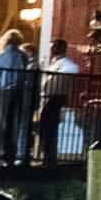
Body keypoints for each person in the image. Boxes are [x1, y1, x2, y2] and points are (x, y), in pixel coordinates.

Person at [0, 26, 35, 166]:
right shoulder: (22, 56)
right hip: (17, 92)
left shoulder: (0, 56)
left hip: (0, 91)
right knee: (13, 123)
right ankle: (10, 153)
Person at [37, 38, 81, 167]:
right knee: (44, 128)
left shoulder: (67, 64)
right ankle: (46, 157)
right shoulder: (54, 63)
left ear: (61, 48)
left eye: (54, 47)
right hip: (47, 98)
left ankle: (50, 159)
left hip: (55, 99)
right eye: (52, 46)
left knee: (49, 129)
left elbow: (72, 71)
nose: (52, 49)